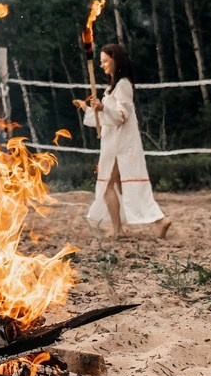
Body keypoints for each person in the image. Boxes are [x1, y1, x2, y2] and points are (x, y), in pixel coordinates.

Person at [73, 43, 172, 239]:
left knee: (110, 183)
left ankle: (120, 229)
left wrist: (103, 109)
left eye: (105, 61)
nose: (102, 65)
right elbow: (105, 120)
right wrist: (88, 108)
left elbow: (121, 116)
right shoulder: (112, 87)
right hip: (113, 143)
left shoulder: (123, 85)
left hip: (121, 144)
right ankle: (156, 221)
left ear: (116, 61)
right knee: (118, 184)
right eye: (100, 62)